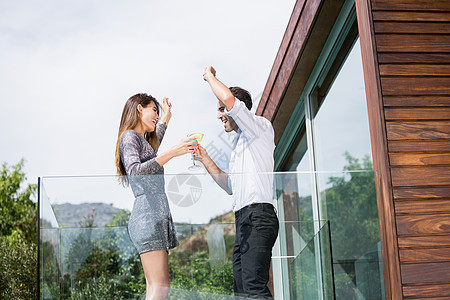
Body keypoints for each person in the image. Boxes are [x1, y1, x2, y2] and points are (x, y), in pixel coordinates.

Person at [197, 66, 279, 299]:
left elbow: (229, 99)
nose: (219, 114)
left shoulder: (259, 127)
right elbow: (230, 185)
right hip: (243, 219)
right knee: (242, 292)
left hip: (258, 216)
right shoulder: (239, 145)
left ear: (237, 110)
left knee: (254, 288)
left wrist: (210, 77)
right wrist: (204, 157)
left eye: (222, 110)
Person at [115, 93, 196, 300]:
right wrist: (172, 152)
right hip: (147, 217)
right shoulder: (129, 136)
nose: (157, 117)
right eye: (154, 110)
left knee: (156, 288)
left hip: (152, 217)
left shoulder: (143, 141)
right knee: (160, 288)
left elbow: (155, 141)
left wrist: (167, 116)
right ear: (139, 108)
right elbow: (135, 171)